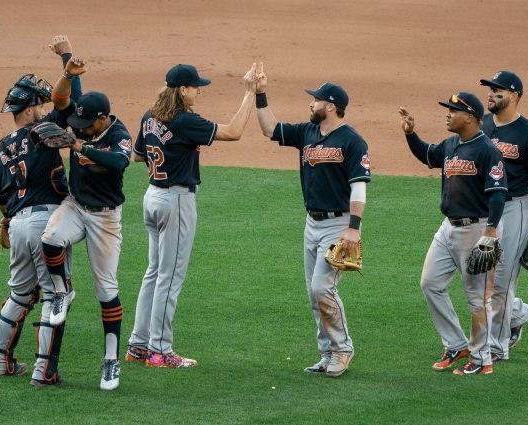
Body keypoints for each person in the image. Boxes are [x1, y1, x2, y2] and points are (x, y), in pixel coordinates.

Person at [125, 63, 257, 368]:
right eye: (195, 86)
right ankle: (159, 351)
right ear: (182, 90)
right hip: (176, 201)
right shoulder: (185, 120)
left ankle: (138, 344)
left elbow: (138, 155)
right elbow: (234, 132)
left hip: (152, 196)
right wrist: (249, 93)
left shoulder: (149, 116)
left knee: (153, 274)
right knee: (169, 279)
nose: (198, 90)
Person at [253, 64, 371, 378]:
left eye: (316, 100)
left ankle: (342, 350)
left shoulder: (352, 141)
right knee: (313, 292)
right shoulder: (307, 132)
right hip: (312, 224)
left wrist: (354, 229)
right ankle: (327, 353)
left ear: (330, 106)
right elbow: (269, 129)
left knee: (322, 288)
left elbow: (359, 186)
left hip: (338, 225)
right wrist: (260, 93)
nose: (311, 104)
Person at [0, 35, 84, 388]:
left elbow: (1, 197)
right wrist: (68, 63)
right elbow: (67, 100)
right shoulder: (43, 131)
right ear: (29, 110)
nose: (44, 109)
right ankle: (45, 370)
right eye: (39, 105)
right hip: (47, 224)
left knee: (19, 295)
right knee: (57, 295)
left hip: (18, 226)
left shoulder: (0, 151)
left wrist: (7, 219)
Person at [399, 91, 507, 375]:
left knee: (476, 297)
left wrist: (491, 231)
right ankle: (456, 344)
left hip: (477, 229)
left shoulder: (488, 151)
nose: (447, 113)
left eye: (453, 110)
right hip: (448, 227)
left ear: (471, 117)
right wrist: (411, 134)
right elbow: (427, 155)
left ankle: (481, 359)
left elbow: (497, 194)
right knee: (430, 283)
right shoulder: (450, 145)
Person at [40, 71, 132, 390]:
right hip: (76, 205)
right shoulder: (83, 118)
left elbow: (120, 162)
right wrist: (68, 66)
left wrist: (79, 147)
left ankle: (110, 362)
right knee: (51, 238)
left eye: (87, 126)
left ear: (103, 119)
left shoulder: (119, 133)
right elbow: (63, 96)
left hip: (105, 219)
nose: (79, 130)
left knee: (107, 291)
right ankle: (62, 291)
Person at [479, 71, 528, 360]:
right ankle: (517, 313)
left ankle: (497, 346)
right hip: (485, 209)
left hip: (516, 207)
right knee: (478, 275)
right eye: (490, 89)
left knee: (500, 280)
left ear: (514, 95)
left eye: (499, 90)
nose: (492, 93)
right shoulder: (481, 125)